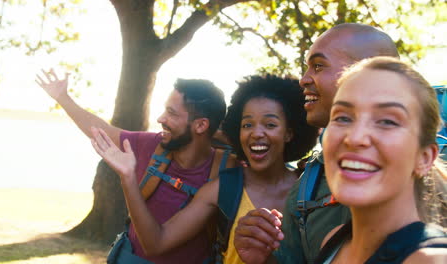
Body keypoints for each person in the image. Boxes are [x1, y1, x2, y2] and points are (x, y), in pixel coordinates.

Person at [89, 75, 319, 263]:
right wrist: (128, 178)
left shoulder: (311, 190)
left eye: (270, 124)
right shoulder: (223, 188)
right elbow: (156, 243)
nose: (256, 133)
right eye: (247, 124)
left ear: (289, 133)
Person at [233, 23, 401, 264]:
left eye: (319, 66)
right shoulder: (306, 187)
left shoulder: (425, 169)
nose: (303, 79)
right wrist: (265, 257)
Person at [35, 70, 228, 264]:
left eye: (171, 113)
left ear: (201, 125)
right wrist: (63, 98)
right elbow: (103, 132)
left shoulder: (227, 168)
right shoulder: (152, 145)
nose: (161, 119)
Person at [315, 56, 447, 263]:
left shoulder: (432, 259)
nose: (355, 137)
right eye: (342, 117)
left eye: (387, 121)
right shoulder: (333, 241)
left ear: (424, 158)